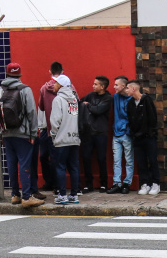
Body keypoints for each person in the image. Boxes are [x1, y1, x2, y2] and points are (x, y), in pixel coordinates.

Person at [0, 62, 43, 208]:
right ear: (20, 75)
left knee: (11, 164)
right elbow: (31, 112)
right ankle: (27, 197)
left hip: (7, 134)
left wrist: (1, 133)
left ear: (7, 74)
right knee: (24, 163)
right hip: (23, 134)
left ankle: (15, 195)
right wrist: (33, 133)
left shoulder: (0, 91)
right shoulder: (25, 90)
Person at [49, 74, 81, 205]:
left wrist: (53, 134)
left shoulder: (58, 100)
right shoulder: (74, 98)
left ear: (61, 85)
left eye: (56, 83)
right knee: (74, 167)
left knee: (60, 167)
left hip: (62, 139)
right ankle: (74, 194)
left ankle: (62, 195)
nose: (53, 85)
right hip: (74, 137)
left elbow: (55, 120)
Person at [126, 80, 160, 195]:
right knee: (141, 162)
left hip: (148, 137)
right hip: (137, 138)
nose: (126, 90)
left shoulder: (146, 100)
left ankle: (156, 184)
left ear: (133, 89)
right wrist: (133, 133)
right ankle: (145, 184)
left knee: (152, 160)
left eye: (127, 88)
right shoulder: (130, 103)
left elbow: (152, 118)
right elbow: (130, 119)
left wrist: (150, 133)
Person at [80, 76, 113, 193]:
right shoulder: (90, 95)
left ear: (102, 87)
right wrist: (86, 105)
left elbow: (98, 110)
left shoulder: (108, 98)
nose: (93, 86)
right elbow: (80, 103)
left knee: (101, 158)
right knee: (86, 157)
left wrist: (88, 105)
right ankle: (88, 184)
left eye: (95, 84)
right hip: (88, 132)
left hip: (101, 133)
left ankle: (103, 184)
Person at [37, 62, 63, 193]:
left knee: (44, 156)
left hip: (45, 127)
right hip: (62, 128)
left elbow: (40, 107)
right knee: (58, 157)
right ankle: (56, 185)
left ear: (50, 71)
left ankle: (51, 182)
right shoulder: (69, 87)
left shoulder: (43, 88)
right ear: (62, 71)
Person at [107, 76, 134, 194]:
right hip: (116, 134)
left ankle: (127, 183)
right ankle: (116, 183)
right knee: (116, 160)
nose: (114, 87)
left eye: (116, 85)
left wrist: (128, 130)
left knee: (129, 160)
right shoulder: (115, 97)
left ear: (123, 86)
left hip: (127, 134)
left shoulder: (131, 99)